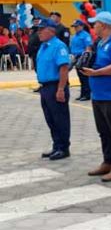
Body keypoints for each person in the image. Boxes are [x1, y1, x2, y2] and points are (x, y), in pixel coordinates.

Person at [80, 11, 111, 182]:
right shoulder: (100, 43)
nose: (93, 27)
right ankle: (108, 162)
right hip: (98, 95)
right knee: (104, 132)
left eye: (96, 24)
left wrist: (96, 73)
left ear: (104, 25)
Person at [35, 19, 71, 160]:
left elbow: (63, 68)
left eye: (41, 29)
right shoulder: (43, 46)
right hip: (45, 88)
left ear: (51, 30)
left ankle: (64, 148)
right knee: (50, 119)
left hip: (56, 86)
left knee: (60, 118)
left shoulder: (58, 46)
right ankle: (56, 146)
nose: (38, 33)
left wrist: (61, 89)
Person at [70, 20, 93, 101]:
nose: (75, 28)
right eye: (74, 27)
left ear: (81, 26)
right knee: (80, 77)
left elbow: (88, 47)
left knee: (84, 77)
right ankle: (82, 94)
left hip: (82, 57)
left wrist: (85, 59)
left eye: (76, 26)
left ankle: (87, 94)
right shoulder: (75, 36)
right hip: (76, 57)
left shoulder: (85, 35)